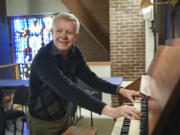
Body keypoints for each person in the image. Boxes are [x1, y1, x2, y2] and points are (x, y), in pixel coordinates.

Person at [28, 12, 142, 135]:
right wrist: (111, 111)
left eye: (69, 32)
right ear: (52, 33)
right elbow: (66, 88)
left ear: (76, 36)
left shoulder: (75, 52)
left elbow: (91, 79)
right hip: (42, 121)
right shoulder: (43, 58)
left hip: (63, 116)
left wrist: (120, 90)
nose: (63, 36)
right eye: (59, 31)